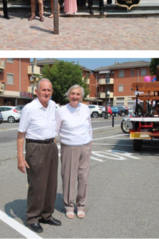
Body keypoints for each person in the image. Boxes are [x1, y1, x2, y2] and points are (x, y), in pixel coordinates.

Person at [17, 79, 61, 233]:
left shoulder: (53, 105)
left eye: (49, 90)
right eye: (43, 90)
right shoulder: (29, 109)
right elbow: (21, 134)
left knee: (51, 184)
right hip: (35, 147)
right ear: (37, 91)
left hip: (51, 146)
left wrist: (53, 143)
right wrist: (20, 158)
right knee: (37, 185)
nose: (46, 93)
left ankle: (46, 215)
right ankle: (33, 218)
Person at [56, 85, 93, 219]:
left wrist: (90, 144)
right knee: (69, 177)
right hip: (69, 146)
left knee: (83, 177)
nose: (75, 97)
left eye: (78, 94)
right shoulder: (62, 110)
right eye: (72, 94)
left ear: (81, 97)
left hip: (84, 145)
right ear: (68, 95)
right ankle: (69, 206)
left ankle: (81, 205)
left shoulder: (85, 108)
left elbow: (89, 128)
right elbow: (56, 130)